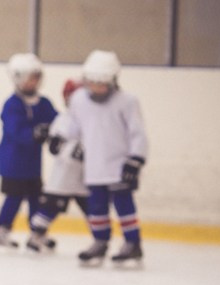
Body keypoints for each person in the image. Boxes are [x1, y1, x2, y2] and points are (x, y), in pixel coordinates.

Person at [55, 50, 149, 266]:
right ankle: (100, 241)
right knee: (97, 208)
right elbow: (74, 125)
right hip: (94, 167)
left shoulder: (127, 102)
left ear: (113, 80)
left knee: (124, 206)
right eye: (92, 83)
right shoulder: (79, 100)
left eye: (102, 84)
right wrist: (59, 137)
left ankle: (132, 243)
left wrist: (136, 159)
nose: (96, 88)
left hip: (120, 166)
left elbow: (138, 132)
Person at [0, 53, 58, 248]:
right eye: (31, 77)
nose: (35, 82)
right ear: (19, 78)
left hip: (32, 164)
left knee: (36, 199)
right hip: (12, 163)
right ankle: (1, 230)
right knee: (14, 197)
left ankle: (36, 233)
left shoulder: (43, 103)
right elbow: (16, 131)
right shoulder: (12, 104)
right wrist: (35, 133)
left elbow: (57, 121)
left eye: (37, 77)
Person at [26, 79, 91, 252]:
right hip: (63, 176)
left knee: (93, 209)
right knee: (50, 208)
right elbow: (55, 147)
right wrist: (73, 152)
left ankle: (100, 239)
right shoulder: (64, 119)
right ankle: (36, 235)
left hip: (84, 176)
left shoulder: (90, 118)